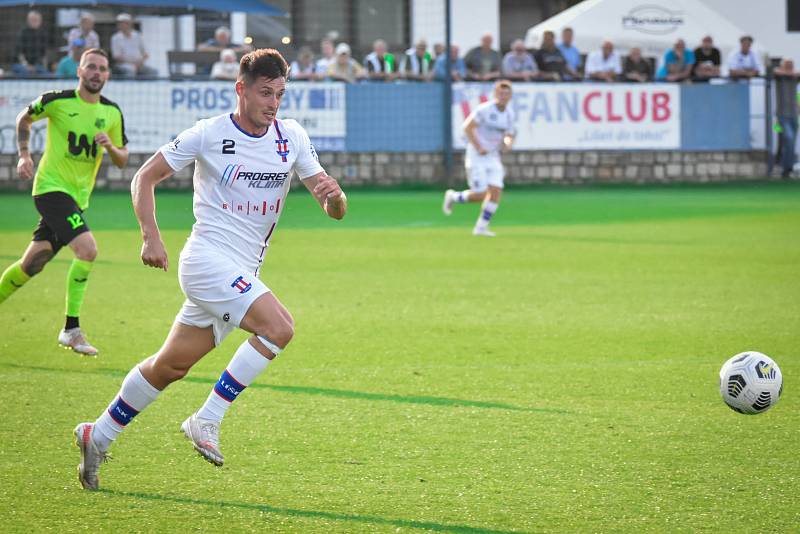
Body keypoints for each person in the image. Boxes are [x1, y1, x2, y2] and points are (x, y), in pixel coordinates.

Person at [72, 47, 347, 491]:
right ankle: (206, 418)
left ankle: (98, 434)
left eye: (279, 94)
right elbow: (144, 176)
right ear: (241, 89)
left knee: (169, 366)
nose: (273, 103)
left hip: (239, 272)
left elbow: (331, 205)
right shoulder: (208, 133)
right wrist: (150, 236)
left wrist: (334, 197)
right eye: (265, 93)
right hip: (205, 261)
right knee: (279, 328)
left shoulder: (291, 136)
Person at [0, 48, 128, 356]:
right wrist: (24, 154)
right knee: (88, 249)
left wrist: (110, 146)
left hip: (77, 199)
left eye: (102, 68)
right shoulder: (57, 101)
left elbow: (123, 160)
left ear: (107, 75)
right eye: (91, 67)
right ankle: (71, 329)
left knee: (33, 264)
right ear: (79, 71)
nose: (97, 73)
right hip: (50, 189)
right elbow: (24, 118)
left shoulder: (112, 113)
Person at [442, 80, 515, 237]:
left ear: (510, 96)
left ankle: (481, 227)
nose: (503, 97)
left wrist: (508, 144)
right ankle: (453, 196)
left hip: (493, 157)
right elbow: (467, 127)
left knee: (495, 192)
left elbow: (509, 134)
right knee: (480, 194)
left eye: (506, 94)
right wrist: (478, 147)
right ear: (495, 94)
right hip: (477, 156)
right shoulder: (485, 110)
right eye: (500, 93)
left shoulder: (509, 113)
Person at [773, 58, 799, 178]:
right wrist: (789, 73)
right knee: (787, 139)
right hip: (781, 116)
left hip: (794, 115)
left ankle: (787, 169)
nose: (789, 66)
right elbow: (774, 71)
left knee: (791, 142)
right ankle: (784, 166)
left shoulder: (795, 77)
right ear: (783, 65)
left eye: (791, 64)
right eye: (787, 64)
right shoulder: (780, 77)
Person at [110, 13, 157, 78]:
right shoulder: (115, 38)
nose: (122, 25)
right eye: (120, 23)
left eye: (125, 23)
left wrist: (139, 63)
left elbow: (146, 54)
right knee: (131, 71)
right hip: (124, 65)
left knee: (154, 72)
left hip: (139, 64)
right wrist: (132, 63)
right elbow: (117, 57)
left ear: (130, 24)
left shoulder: (138, 36)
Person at [13, 10, 49, 77]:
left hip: (37, 66)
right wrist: (27, 66)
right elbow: (19, 53)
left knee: (46, 74)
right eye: (32, 20)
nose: (34, 21)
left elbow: (44, 55)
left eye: (36, 20)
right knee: (25, 73)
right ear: (28, 20)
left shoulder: (43, 33)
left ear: (40, 21)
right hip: (21, 65)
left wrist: (44, 67)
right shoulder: (22, 33)